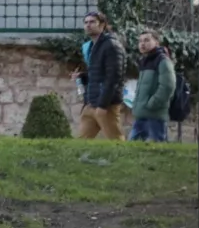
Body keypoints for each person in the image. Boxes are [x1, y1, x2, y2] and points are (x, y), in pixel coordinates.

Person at [75, 10, 124, 140]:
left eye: (92, 22)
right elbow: (97, 74)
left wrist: (103, 105)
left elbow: (113, 78)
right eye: (86, 22)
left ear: (102, 25)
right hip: (91, 103)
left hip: (107, 104)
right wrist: (83, 77)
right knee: (80, 142)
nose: (88, 25)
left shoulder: (111, 45)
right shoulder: (92, 46)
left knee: (116, 141)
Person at [131, 30, 175, 143]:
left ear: (156, 42)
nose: (142, 44)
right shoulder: (144, 61)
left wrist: (152, 104)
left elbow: (168, 86)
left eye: (147, 40)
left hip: (155, 116)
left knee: (156, 147)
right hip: (141, 115)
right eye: (140, 41)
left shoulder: (163, 60)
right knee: (131, 147)